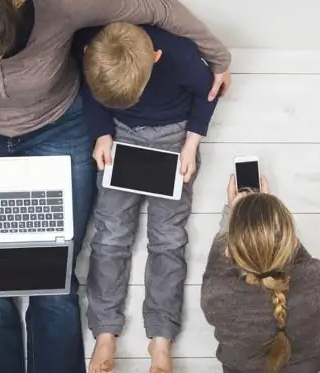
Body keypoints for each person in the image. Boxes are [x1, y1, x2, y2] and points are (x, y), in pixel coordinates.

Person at [0, 1, 231, 373]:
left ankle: (131, 336)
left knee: (55, 280)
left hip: (57, 125)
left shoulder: (66, 3)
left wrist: (220, 59)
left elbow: (158, 8)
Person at [69, 22, 220, 373]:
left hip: (174, 137)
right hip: (120, 135)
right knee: (110, 236)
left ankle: (161, 337)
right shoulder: (89, 47)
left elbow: (207, 93)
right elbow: (92, 94)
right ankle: (105, 331)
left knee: (168, 239)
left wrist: (191, 145)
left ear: (156, 57)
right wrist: (102, 135)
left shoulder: (180, 53)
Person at [201, 175, 320, 373]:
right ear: (289, 238)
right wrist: (268, 221)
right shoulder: (319, 279)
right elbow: (301, 257)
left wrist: (231, 214)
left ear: (230, 250)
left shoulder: (217, 296)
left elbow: (214, 272)